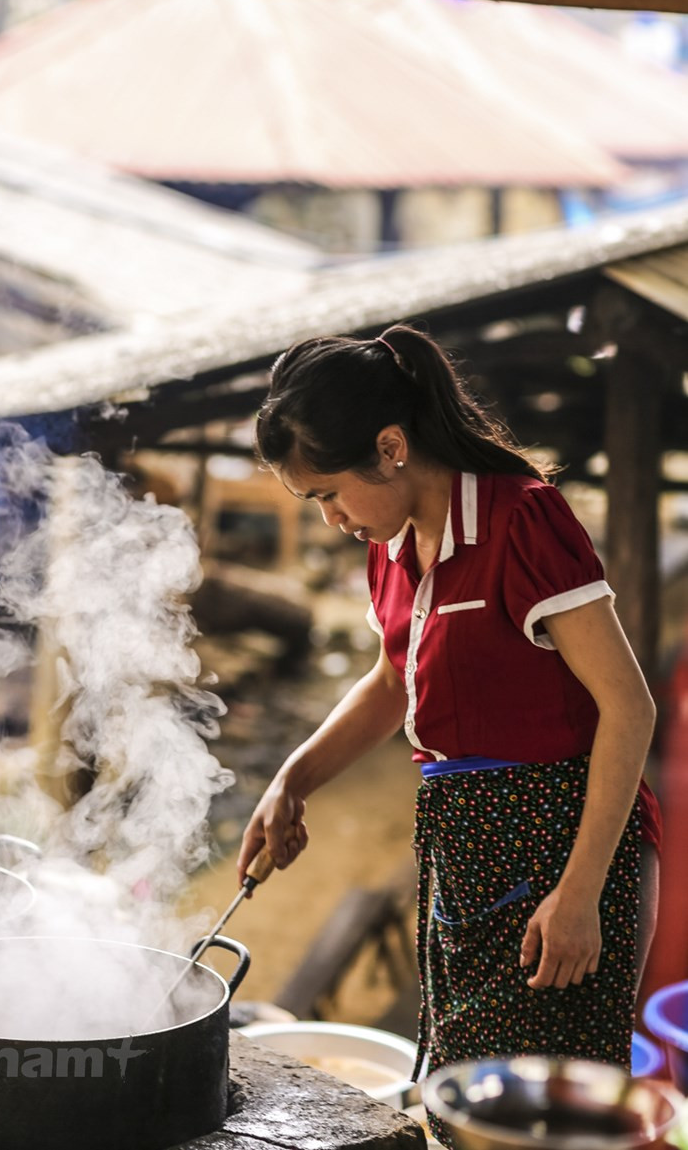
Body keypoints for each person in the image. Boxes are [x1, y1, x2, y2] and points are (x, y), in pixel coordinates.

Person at [237, 323, 661, 1146]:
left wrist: (578, 894)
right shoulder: (391, 547)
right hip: (463, 851)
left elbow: (629, 707)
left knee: (528, 1121)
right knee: (455, 1098)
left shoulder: (522, 522)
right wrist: (294, 778)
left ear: (391, 446)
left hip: (557, 847)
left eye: (328, 493)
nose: (330, 519)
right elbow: (396, 679)